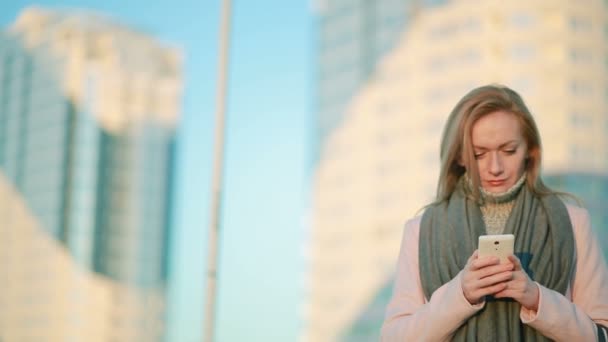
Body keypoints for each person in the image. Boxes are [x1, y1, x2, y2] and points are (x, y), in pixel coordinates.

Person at [380, 84, 608, 341]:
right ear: (459, 157)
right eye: (479, 154)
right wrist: (460, 294)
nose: (495, 167)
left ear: (530, 151)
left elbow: (601, 334)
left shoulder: (573, 222)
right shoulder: (420, 230)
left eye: (509, 150)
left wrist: (536, 298)